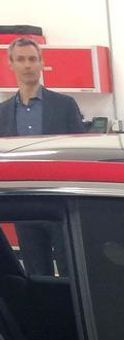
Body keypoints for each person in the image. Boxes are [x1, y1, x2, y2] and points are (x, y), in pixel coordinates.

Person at [1, 37, 83, 276]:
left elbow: (80, 152)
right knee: (36, 275)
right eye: (21, 59)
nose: (27, 65)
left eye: (32, 59)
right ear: (11, 64)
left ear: (41, 63)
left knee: (72, 271)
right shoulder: (3, 113)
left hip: (60, 204)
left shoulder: (64, 105)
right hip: (24, 206)